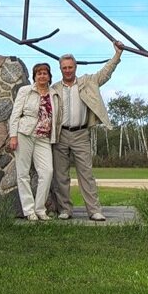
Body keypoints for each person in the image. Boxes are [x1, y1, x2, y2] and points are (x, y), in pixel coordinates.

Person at [50, 40, 124, 221]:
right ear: (60, 69)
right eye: (64, 68)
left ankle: (94, 210)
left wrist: (117, 55)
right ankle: (65, 210)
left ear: (75, 67)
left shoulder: (88, 82)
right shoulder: (54, 89)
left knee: (86, 174)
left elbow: (105, 73)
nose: (67, 70)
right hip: (60, 135)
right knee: (60, 176)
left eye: (70, 67)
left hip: (81, 134)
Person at [8, 62, 62, 221]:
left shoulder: (54, 94)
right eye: (39, 73)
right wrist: (13, 136)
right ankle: (29, 210)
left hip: (44, 138)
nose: (42, 76)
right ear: (35, 76)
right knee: (23, 173)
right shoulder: (25, 91)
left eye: (45, 73)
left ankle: (40, 209)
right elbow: (15, 114)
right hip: (25, 133)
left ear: (49, 76)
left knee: (47, 172)